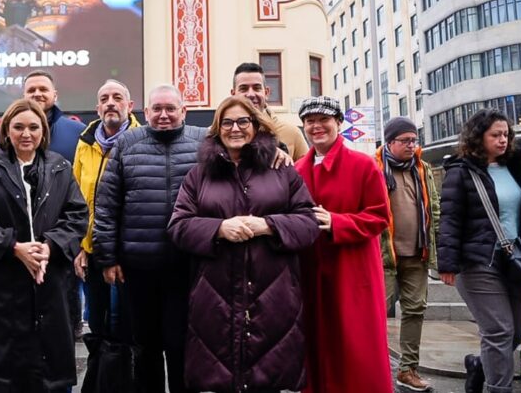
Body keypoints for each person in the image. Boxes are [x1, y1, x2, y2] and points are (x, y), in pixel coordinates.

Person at [168, 96, 320, 393]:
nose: (234, 128)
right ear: (217, 129)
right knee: (219, 377)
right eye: (227, 122)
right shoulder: (199, 175)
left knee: (269, 379)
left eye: (242, 121)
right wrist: (219, 229)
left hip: (273, 293)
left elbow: (308, 222)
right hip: (215, 295)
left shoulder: (281, 170)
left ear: (255, 125)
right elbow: (178, 226)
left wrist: (269, 225)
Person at [0, 99, 87, 392]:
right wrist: (15, 247)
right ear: (6, 131)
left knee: (48, 374)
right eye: (18, 127)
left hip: (49, 282)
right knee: (7, 376)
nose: (26, 134)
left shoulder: (60, 167)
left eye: (33, 127)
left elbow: (77, 215)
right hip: (3, 286)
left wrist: (50, 246)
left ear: (43, 131)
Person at [92, 84, 206, 393]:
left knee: (183, 346)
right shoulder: (128, 143)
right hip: (138, 268)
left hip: (188, 267)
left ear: (184, 111)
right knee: (146, 348)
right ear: (146, 113)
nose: (164, 115)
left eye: (171, 108)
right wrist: (108, 257)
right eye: (157, 109)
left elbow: (244, 146)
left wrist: (277, 149)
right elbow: (106, 205)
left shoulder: (204, 141)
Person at [438, 109, 521, 393]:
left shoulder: (516, 168)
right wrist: (447, 264)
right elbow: (449, 220)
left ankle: (478, 364)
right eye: (495, 135)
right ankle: (498, 389)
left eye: (506, 134)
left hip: (516, 260)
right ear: (478, 137)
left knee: (520, 327)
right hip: (477, 261)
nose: (503, 140)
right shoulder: (460, 171)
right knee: (499, 330)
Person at [294, 96, 393, 393]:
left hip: (353, 270)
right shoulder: (297, 169)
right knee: (316, 340)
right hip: (311, 269)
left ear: (338, 123)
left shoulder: (363, 165)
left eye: (323, 119)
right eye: (310, 121)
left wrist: (338, 222)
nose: (316, 126)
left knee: (356, 344)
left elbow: (379, 216)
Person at [376, 117, 440, 392]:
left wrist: (439, 251)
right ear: (389, 142)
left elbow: (434, 209)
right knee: (374, 312)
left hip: (417, 253)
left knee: (415, 310)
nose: (411, 146)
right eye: (405, 141)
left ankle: (407, 370)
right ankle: (370, 368)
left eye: (414, 140)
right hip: (383, 256)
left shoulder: (423, 169)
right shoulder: (374, 167)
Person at [72, 79, 139, 338]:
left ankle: (128, 378)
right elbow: (76, 200)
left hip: (128, 254)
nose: (110, 103)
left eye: (117, 97)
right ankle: (102, 378)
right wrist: (81, 246)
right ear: (98, 108)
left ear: (130, 106)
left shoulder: (142, 140)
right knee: (98, 327)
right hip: (93, 252)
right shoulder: (84, 143)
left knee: (126, 327)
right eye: (104, 99)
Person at [0, 70, 85, 163]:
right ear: (24, 96)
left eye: (43, 89)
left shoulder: (78, 131)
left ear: (55, 95)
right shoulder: (7, 133)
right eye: (31, 90)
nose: (37, 94)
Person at [231, 62, 309, 161]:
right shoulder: (220, 133)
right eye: (244, 89)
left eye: (256, 88)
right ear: (233, 94)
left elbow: (307, 173)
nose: (250, 94)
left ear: (266, 92)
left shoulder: (291, 133)